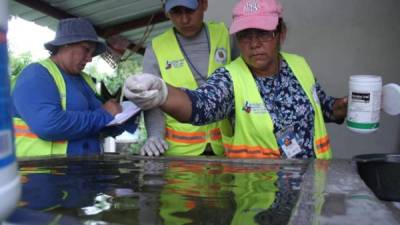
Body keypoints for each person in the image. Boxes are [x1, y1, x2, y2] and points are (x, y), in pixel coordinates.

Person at [124, 0, 348, 159]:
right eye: (245, 35)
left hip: (313, 182)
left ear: (281, 34)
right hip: (260, 193)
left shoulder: (300, 65)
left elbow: (323, 107)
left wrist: (343, 107)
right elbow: (201, 104)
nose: (254, 43)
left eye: (263, 33)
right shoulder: (230, 78)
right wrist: (163, 93)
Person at [12, 17, 138, 157]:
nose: (90, 58)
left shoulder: (86, 80)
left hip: (84, 171)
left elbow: (98, 124)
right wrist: (104, 114)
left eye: (92, 53)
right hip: (42, 172)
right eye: (86, 49)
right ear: (66, 44)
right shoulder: (36, 74)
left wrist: (123, 117)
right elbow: (48, 125)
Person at [140, 0, 239, 157]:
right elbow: (152, 100)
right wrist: (154, 136)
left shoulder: (225, 36)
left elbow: (243, 86)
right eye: (176, 12)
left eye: (190, 10)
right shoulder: (156, 49)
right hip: (179, 154)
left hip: (224, 150)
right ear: (166, 12)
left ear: (204, 4)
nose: (184, 20)